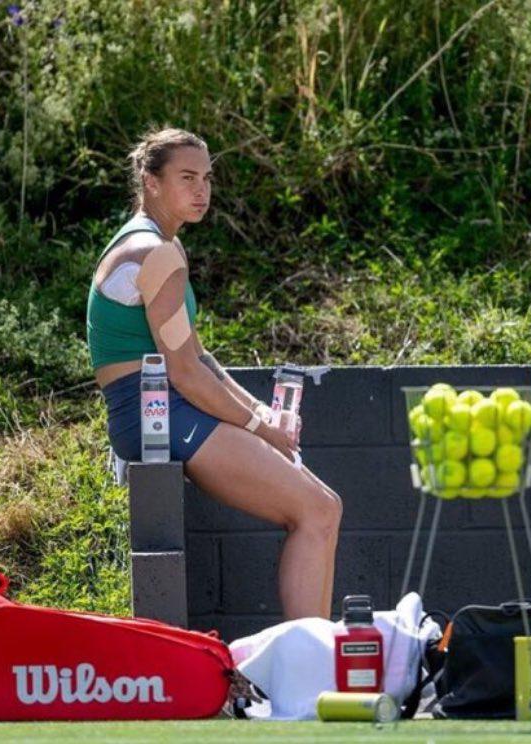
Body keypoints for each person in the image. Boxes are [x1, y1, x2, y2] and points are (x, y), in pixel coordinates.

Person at [86, 127, 342, 620]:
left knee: (323, 510)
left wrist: (259, 411)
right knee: (317, 511)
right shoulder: (155, 253)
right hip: (157, 411)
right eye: (187, 178)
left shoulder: (158, 245)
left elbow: (200, 358)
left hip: (160, 407)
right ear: (151, 181)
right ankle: (305, 665)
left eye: (206, 178)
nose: (201, 191)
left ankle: (312, 655)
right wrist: (261, 427)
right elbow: (185, 374)